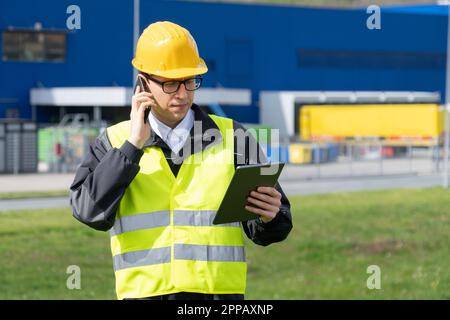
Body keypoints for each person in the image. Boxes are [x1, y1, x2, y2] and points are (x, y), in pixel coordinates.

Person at [69, 21, 292, 300]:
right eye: (171, 83)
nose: (183, 94)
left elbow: (277, 224)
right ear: (143, 82)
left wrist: (270, 217)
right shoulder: (114, 141)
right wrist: (132, 147)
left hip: (217, 298)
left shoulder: (235, 135)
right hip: (144, 295)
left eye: (190, 81)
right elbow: (88, 212)